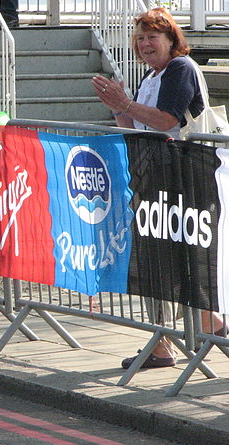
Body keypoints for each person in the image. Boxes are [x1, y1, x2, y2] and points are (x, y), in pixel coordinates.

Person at [92, 7, 226, 368]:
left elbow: (168, 120)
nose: (145, 43)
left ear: (172, 41)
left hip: (183, 179)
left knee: (177, 257)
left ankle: (196, 331)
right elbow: (134, 125)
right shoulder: (152, 76)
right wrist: (118, 107)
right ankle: (177, 335)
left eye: (153, 36)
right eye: (140, 38)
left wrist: (126, 103)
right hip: (157, 178)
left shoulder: (180, 69)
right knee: (157, 259)